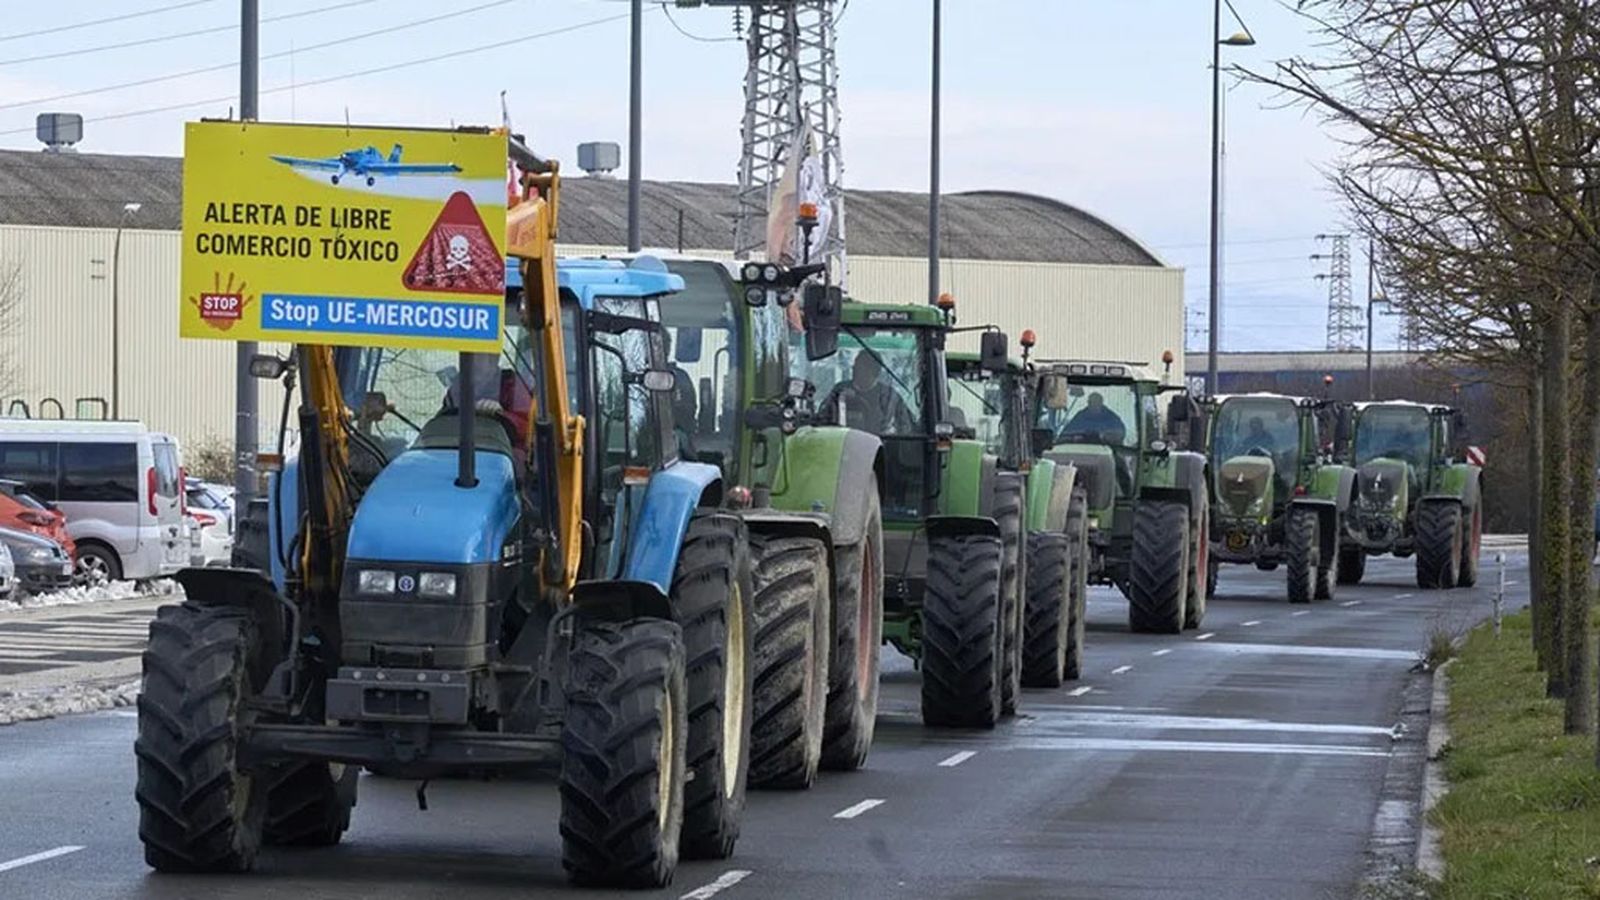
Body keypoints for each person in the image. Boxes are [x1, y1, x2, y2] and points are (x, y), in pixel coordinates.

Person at [820, 350, 915, 434]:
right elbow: (823, 418)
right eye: (855, 365)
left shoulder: (890, 397)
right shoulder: (839, 391)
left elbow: (906, 427)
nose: (854, 369)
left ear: (875, 371)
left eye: (860, 366)